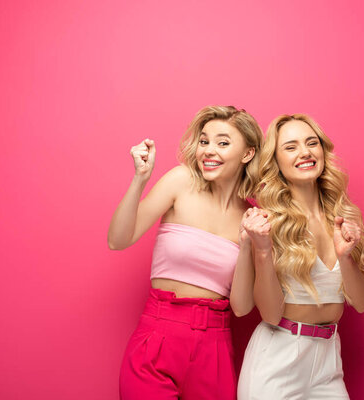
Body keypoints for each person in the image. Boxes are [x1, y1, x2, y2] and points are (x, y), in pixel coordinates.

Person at [107, 106, 263, 400]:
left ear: (248, 154)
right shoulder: (181, 182)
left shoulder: (252, 217)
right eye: (204, 141)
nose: (208, 150)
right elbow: (118, 240)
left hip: (214, 347)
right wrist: (140, 178)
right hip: (158, 336)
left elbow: (241, 307)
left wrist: (247, 246)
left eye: (223, 142)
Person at [236, 114, 364, 399]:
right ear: (275, 161)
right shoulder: (267, 221)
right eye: (291, 146)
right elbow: (272, 314)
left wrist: (346, 257)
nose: (305, 152)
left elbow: (362, 303)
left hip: (327, 360)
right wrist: (262, 250)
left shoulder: (342, 217)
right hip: (278, 358)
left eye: (312, 143)